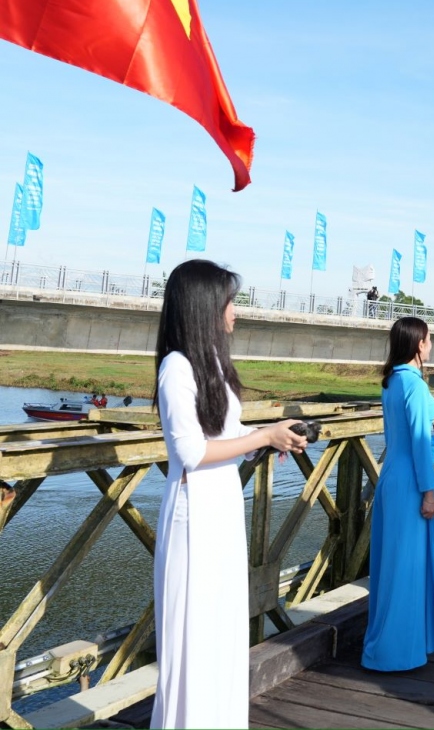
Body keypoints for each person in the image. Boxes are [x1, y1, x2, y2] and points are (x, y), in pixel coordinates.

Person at [151, 260, 307, 729]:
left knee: (221, 627)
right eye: (230, 302)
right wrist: (262, 437)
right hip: (194, 516)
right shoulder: (176, 368)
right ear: (204, 307)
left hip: (221, 509)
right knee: (194, 634)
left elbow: (228, 433)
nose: (236, 311)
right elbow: (191, 451)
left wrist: (273, 435)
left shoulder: (214, 364)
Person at [362, 317, 434, 671]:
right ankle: (395, 651)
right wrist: (429, 491)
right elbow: (419, 442)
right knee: (406, 565)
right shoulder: (412, 384)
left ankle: (393, 644)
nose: (431, 344)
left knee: (393, 563)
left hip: (392, 476)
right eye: (428, 339)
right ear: (418, 345)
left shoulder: (392, 380)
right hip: (411, 480)